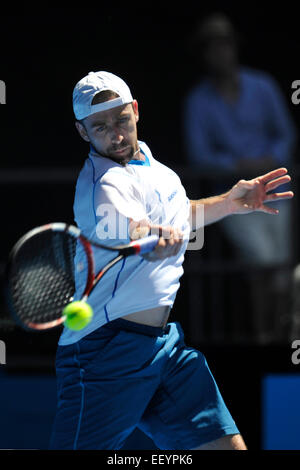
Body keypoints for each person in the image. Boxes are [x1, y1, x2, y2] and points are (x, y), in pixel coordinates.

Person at [49, 71, 293, 450]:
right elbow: (129, 224)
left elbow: (182, 213)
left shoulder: (159, 172)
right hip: (104, 352)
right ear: (83, 132)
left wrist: (229, 202)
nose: (115, 134)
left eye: (121, 121)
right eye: (100, 127)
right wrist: (151, 238)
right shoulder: (102, 185)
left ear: (135, 111)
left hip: (163, 347)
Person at [183, 13, 296, 267]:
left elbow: (286, 134)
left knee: (282, 267)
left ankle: (283, 308)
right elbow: (199, 154)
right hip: (233, 196)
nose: (220, 52)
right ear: (204, 54)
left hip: (277, 191)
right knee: (262, 262)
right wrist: (236, 167)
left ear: (234, 46)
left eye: (224, 44)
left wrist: (270, 160)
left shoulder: (263, 86)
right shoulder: (198, 100)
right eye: (212, 47)